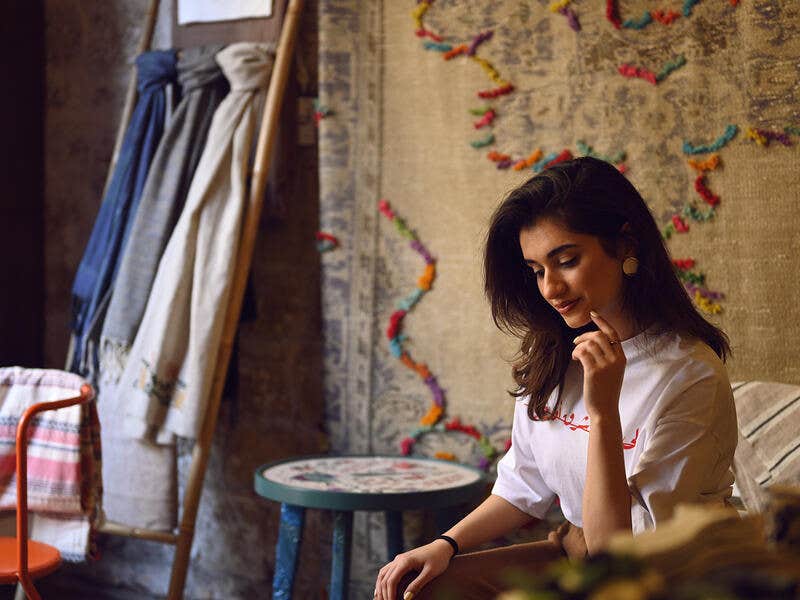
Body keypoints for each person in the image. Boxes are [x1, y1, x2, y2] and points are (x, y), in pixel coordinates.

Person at [373, 157, 737, 600]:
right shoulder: (555, 352)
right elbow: (522, 486)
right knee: (419, 588)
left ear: (625, 244)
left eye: (566, 261)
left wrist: (603, 414)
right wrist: (444, 545)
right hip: (575, 555)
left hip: (657, 576)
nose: (550, 288)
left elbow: (615, 556)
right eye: (536, 270)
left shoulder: (690, 375)